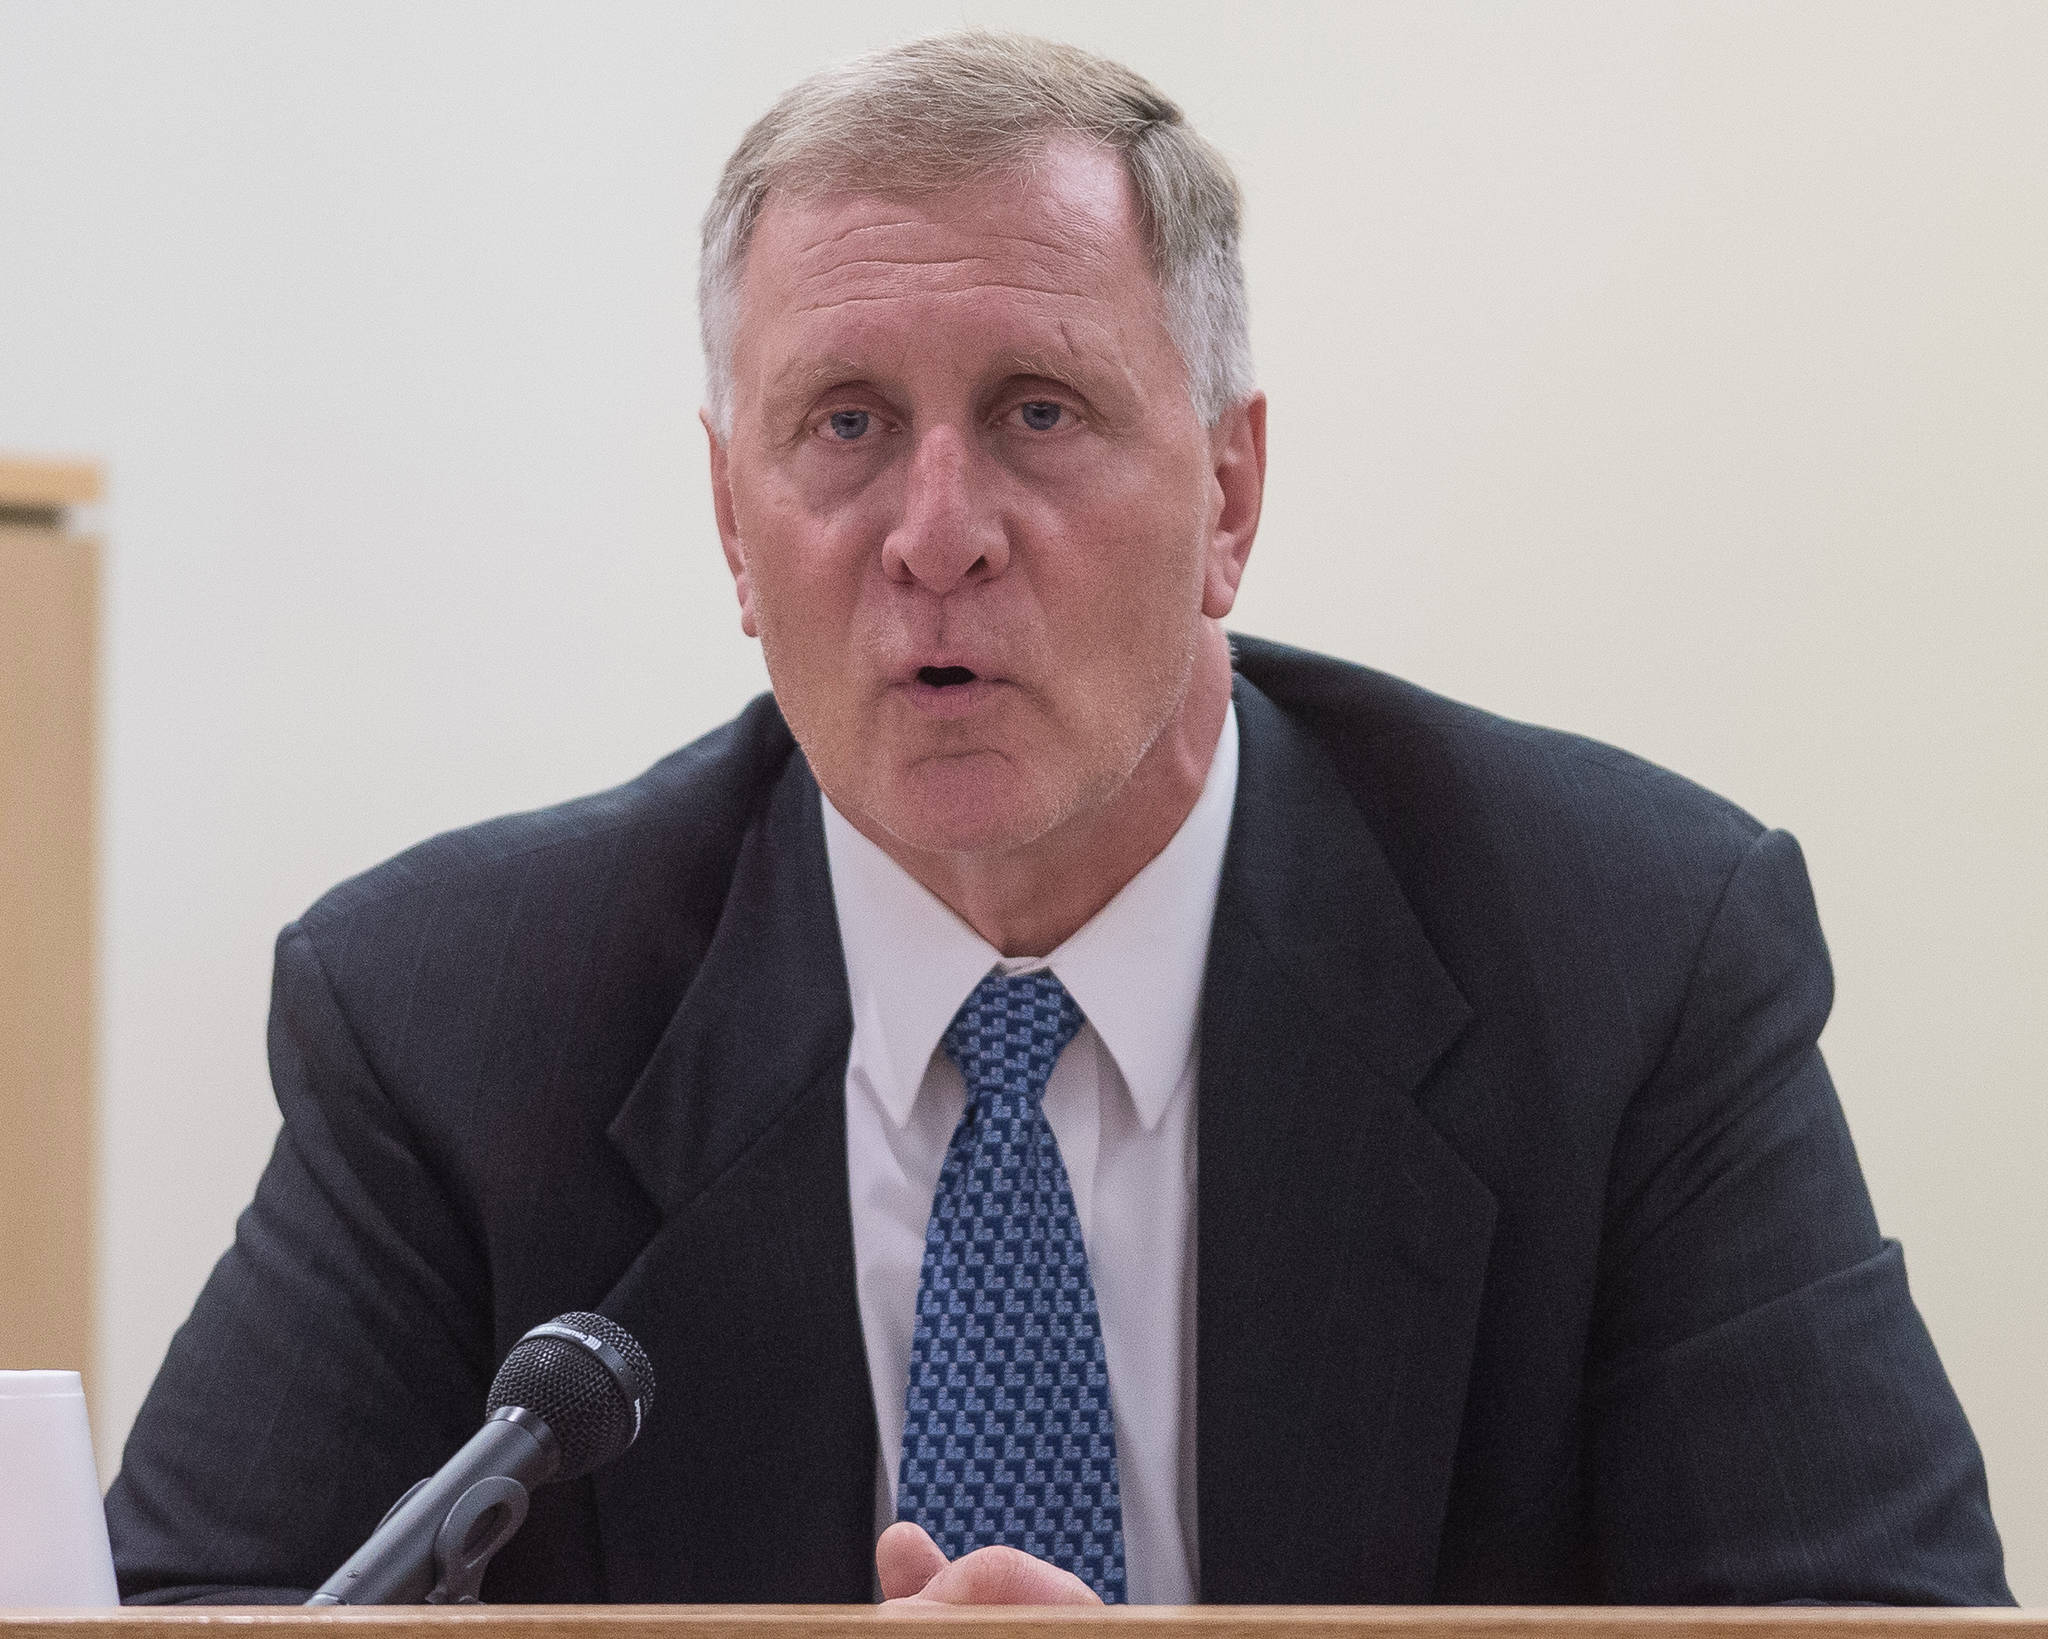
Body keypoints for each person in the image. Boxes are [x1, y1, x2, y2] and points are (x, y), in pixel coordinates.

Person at [106, 31, 2009, 1607]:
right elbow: (200, 1617)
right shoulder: (453, 1021)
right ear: (729, 527)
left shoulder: (1628, 962)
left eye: (1037, 411)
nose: (937, 532)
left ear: (1233, 488)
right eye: (843, 423)